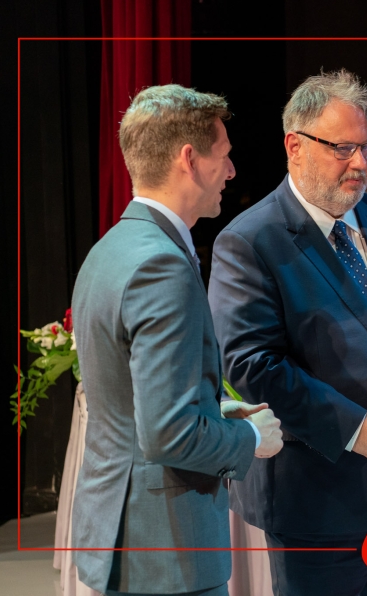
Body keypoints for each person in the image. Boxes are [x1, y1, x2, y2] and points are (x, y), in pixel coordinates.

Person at [207, 70, 367, 596]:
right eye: (343, 149)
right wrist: (353, 428)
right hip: (318, 504)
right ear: (294, 146)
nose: (362, 164)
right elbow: (250, 365)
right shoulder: (250, 240)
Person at [70, 85, 284, 596]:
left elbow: (131, 401)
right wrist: (251, 439)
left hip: (126, 535)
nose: (231, 172)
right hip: (165, 553)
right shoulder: (162, 265)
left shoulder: (110, 248)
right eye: (224, 155)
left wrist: (215, 410)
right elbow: (167, 434)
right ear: (189, 159)